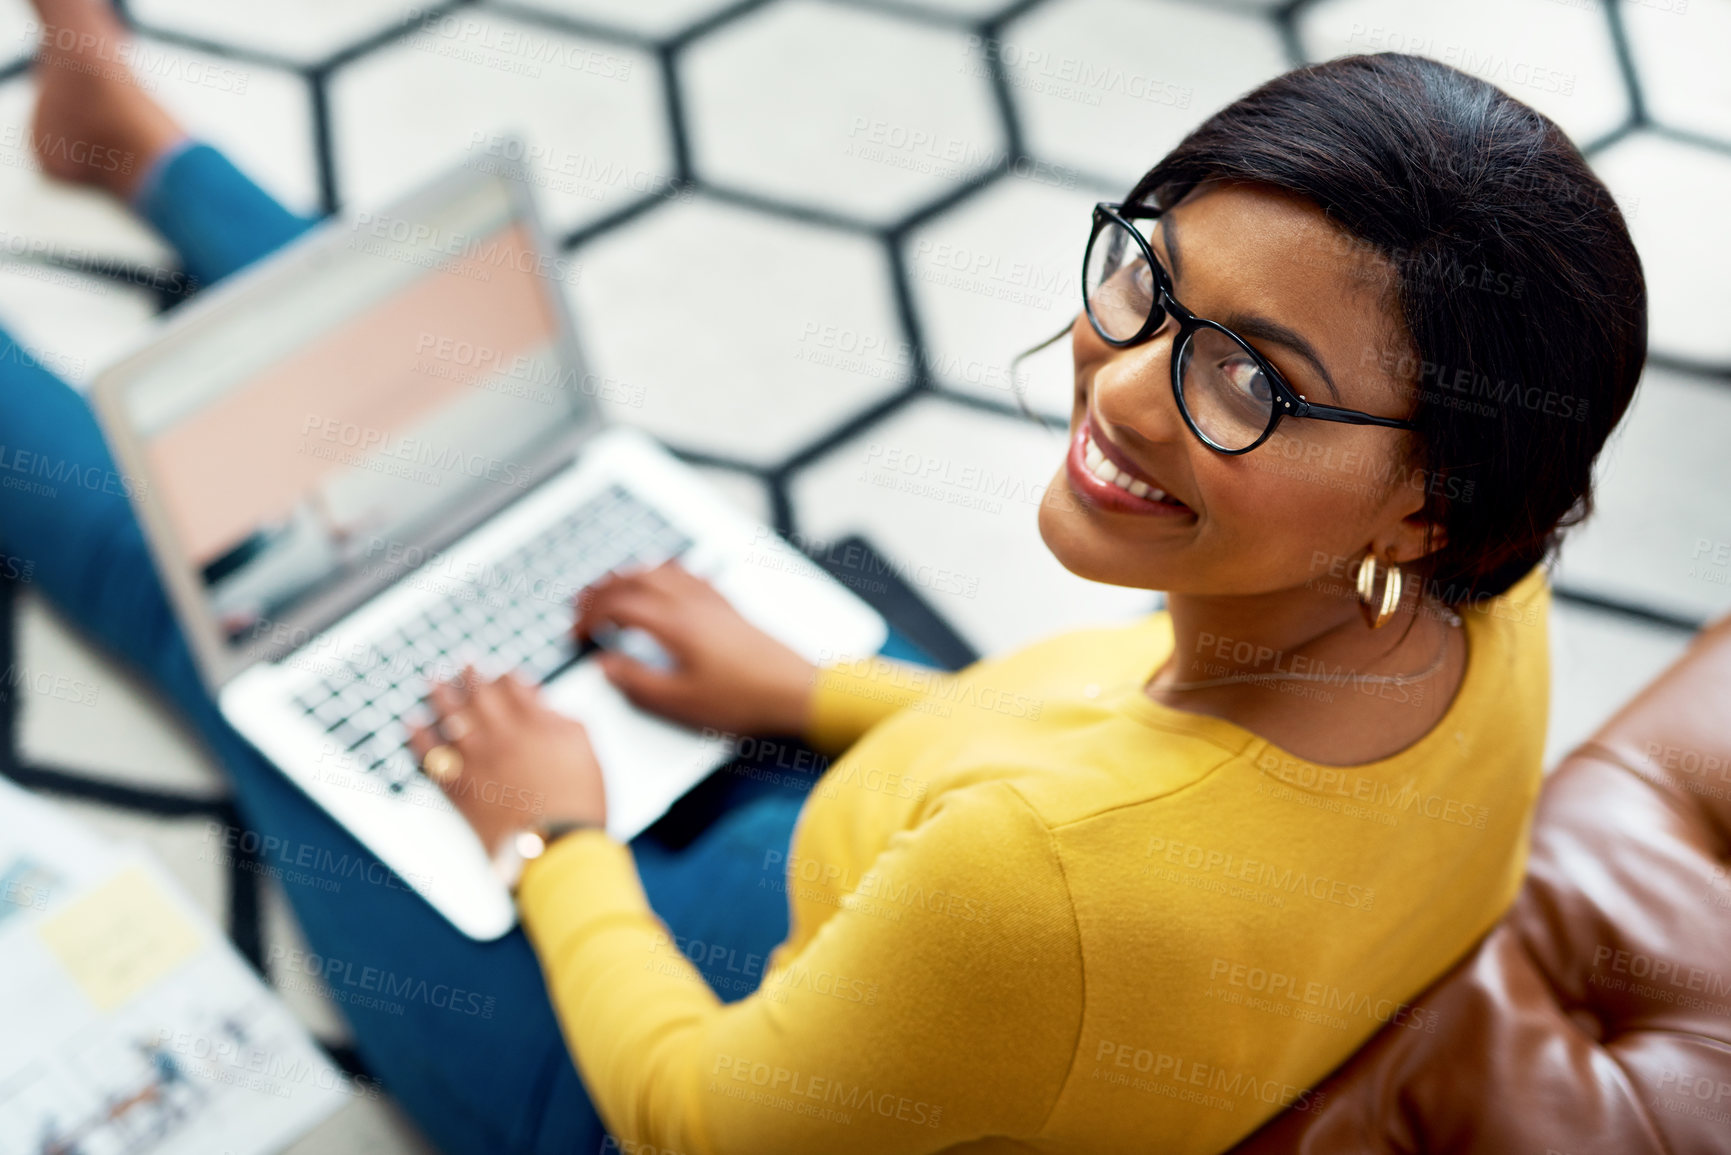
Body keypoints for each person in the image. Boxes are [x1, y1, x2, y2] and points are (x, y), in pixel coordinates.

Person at [3, 2, 1645, 1152]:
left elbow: (698, 1117)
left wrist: (551, 834)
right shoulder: (1476, 599)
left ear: (1429, 502)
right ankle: (139, 138)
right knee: (499, 477)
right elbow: (1089, 753)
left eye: (1256, 383)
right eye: (1151, 276)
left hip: (641, 1063)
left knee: (237, 616)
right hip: (893, 863)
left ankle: (135, 149)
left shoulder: (1038, 882)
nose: (1125, 388)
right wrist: (800, 685)